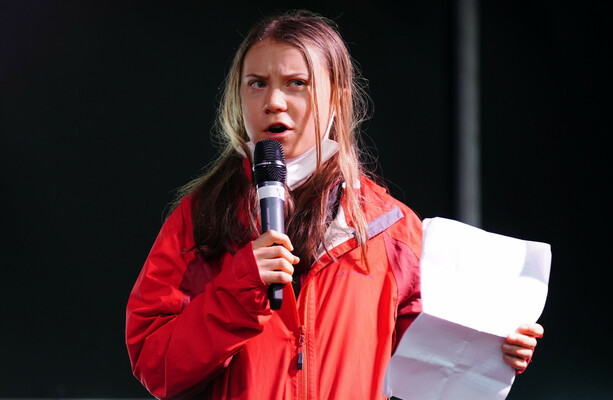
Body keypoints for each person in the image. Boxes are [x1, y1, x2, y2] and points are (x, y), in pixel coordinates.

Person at [125, 10, 544, 399]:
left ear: (339, 99)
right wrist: (240, 289)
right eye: (257, 83)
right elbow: (154, 363)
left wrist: (494, 349)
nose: (274, 100)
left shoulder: (390, 229)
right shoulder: (199, 219)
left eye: (297, 83)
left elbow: (429, 362)